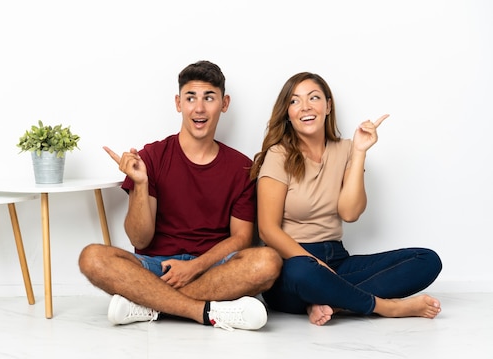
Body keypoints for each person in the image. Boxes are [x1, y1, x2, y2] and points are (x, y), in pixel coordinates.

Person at [79, 60, 282, 331]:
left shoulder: (242, 167)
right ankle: (204, 311)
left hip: (213, 268)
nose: (199, 108)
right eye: (190, 98)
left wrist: (195, 266)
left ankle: (148, 304)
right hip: (155, 267)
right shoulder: (150, 157)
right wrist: (140, 184)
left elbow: (242, 239)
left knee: (268, 261)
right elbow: (139, 238)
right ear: (178, 103)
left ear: (224, 103)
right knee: (91, 257)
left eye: (209, 97)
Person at [250, 72, 442, 326]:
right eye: (295, 101)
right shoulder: (278, 154)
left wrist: (360, 151)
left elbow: (350, 213)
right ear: (287, 112)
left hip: (338, 259)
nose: (305, 107)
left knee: (427, 260)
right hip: (293, 264)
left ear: (328, 106)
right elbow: (268, 229)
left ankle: (333, 302)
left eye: (314, 98)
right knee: (303, 273)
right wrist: (315, 264)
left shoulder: (347, 149)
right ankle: (384, 307)